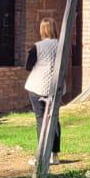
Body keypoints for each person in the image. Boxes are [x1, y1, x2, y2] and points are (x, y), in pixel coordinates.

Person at [24, 17, 63, 167]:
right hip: (56, 88)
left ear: (42, 30)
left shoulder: (37, 47)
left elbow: (28, 66)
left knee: (41, 119)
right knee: (54, 118)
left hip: (37, 86)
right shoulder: (62, 45)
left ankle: (41, 155)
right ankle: (54, 155)